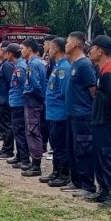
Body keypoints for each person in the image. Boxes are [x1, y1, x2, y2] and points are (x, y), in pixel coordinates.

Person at [88, 35, 111, 209]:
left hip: (108, 122)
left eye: (92, 48)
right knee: (99, 157)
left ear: (100, 51)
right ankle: (103, 190)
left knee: (110, 158)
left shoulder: (109, 71)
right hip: (100, 121)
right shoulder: (101, 69)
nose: (89, 51)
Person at [65, 32, 97, 197]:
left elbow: (93, 91)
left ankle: (88, 186)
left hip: (83, 116)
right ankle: (76, 181)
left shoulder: (85, 64)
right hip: (72, 115)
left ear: (76, 45)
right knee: (73, 150)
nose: (66, 45)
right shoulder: (74, 63)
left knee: (84, 151)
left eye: (68, 42)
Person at [41, 37, 71, 187]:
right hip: (52, 113)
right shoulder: (57, 66)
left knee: (60, 146)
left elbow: (65, 93)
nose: (48, 50)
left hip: (60, 114)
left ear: (56, 49)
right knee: (54, 145)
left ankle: (63, 174)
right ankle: (56, 171)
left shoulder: (64, 68)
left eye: (51, 47)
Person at [21, 39, 47, 177]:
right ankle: (34, 162)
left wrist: (41, 98)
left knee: (32, 131)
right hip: (36, 99)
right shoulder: (39, 63)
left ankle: (36, 164)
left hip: (33, 100)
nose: (21, 51)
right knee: (33, 129)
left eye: (22, 48)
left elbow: (36, 85)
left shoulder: (32, 64)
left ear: (29, 49)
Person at [6, 44, 29, 168]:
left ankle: (24, 158)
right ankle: (20, 155)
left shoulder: (21, 67)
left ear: (11, 53)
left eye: (7, 52)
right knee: (17, 131)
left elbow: (25, 85)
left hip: (19, 103)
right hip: (15, 102)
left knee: (20, 132)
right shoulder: (17, 66)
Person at [0, 44, 14, 157]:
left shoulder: (7, 65)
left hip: (4, 100)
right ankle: (5, 148)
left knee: (7, 126)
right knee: (3, 126)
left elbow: (11, 82)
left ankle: (8, 149)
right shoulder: (1, 64)